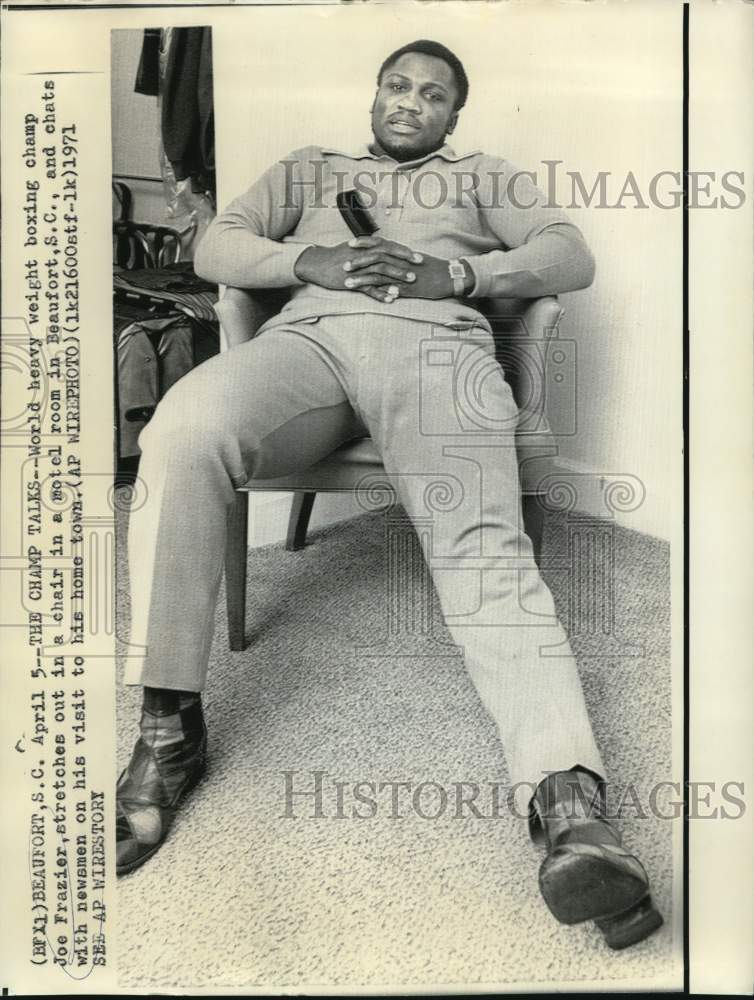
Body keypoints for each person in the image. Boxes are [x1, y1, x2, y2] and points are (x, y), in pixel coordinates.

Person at [117, 39, 662, 950]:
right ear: (375, 96)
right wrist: (311, 265)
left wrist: (461, 276)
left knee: (485, 553)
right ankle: (170, 727)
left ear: (455, 115)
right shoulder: (310, 169)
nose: (410, 102)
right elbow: (216, 239)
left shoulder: (485, 174)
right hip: (307, 347)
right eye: (397, 86)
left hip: (438, 354)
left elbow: (569, 255)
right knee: (180, 432)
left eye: (433, 94)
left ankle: (570, 802)